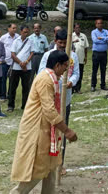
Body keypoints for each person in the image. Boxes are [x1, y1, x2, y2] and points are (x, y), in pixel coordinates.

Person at [10, 50, 77, 194]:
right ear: (57, 65)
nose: (66, 69)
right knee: (37, 170)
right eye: (65, 65)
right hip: (37, 130)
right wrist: (67, 130)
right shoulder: (45, 80)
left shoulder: (53, 78)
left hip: (47, 129)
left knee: (50, 168)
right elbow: (49, 111)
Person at [38, 29, 79, 170]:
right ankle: (46, 162)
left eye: (64, 43)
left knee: (62, 130)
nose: (62, 45)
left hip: (65, 99)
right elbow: (42, 74)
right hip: (50, 99)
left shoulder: (72, 56)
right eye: (60, 42)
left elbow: (76, 73)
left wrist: (71, 82)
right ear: (55, 41)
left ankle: (60, 164)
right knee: (47, 131)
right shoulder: (48, 55)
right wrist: (57, 80)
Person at [8, 25, 34, 112]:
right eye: (24, 32)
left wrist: (26, 62)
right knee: (12, 87)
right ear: (21, 32)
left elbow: (32, 53)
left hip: (27, 68)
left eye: (27, 32)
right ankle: (11, 106)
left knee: (26, 87)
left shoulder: (30, 41)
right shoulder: (16, 41)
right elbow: (13, 55)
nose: (26, 33)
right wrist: (20, 63)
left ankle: (25, 105)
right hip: (16, 67)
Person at [91, 18, 108, 92]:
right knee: (95, 70)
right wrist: (105, 40)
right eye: (98, 23)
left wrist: (101, 38)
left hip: (104, 53)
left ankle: (103, 85)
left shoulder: (105, 31)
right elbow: (95, 40)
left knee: (103, 69)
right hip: (96, 53)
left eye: (101, 23)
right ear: (96, 24)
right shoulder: (93, 32)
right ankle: (93, 85)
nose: (100, 24)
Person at [0, 23, 19, 100]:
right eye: (13, 28)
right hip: (5, 61)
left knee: (12, 80)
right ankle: (2, 95)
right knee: (3, 79)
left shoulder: (18, 37)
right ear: (9, 29)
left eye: (15, 28)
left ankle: (10, 95)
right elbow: (0, 48)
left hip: (14, 62)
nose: (15, 29)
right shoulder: (3, 37)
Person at [72, 23, 89, 94]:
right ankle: (72, 88)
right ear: (74, 28)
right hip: (72, 60)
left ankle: (78, 88)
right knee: (72, 73)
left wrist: (85, 57)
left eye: (79, 28)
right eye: (76, 28)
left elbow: (85, 47)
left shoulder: (83, 36)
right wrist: (73, 41)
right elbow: (67, 44)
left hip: (81, 58)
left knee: (80, 74)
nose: (77, 29)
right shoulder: (71, 36)